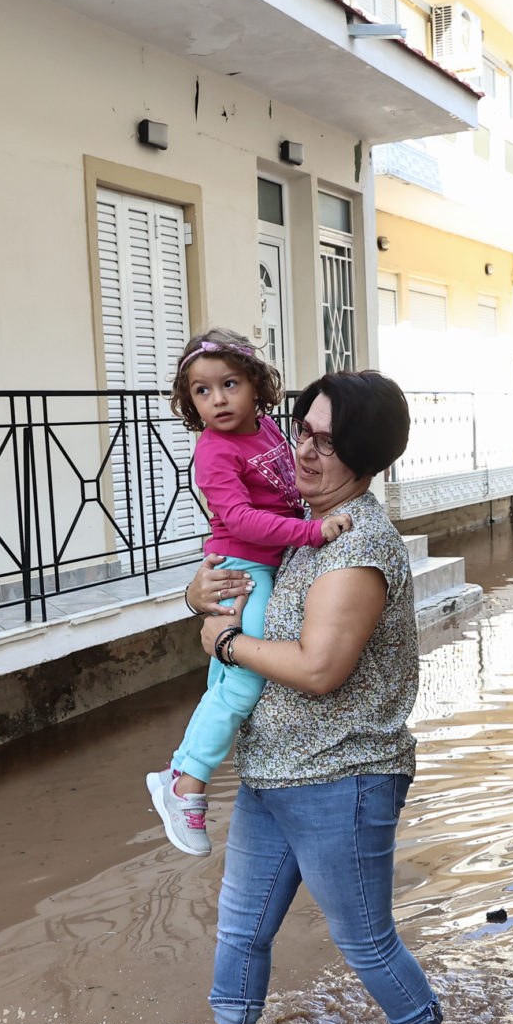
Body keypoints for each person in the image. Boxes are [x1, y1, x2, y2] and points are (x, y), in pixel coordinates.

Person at [152, 371, 463, 1024]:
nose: (308, 453)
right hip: (272, 774)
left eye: (330, 442)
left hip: (342, 778)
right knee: (242, 929)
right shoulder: (300, 525)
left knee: (362, 937)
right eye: (303, 433)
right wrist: (195, 593)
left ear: (371, 455)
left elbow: (320, 668)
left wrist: (224, 645)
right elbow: (232, 580)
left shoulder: (357, 545)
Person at [146, 329, 352, 857]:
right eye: (202, 391)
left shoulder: (266, 432)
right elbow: (238, 518)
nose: (217, 399)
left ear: (257, 387)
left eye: (230, 384)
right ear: (189, 401)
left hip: (266, 562)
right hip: (245, 570)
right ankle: (187, 785)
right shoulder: (213, 452)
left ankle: (176, 770)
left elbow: (284, 497)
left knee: (222, 684)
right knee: (242, 685)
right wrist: (311, 533)